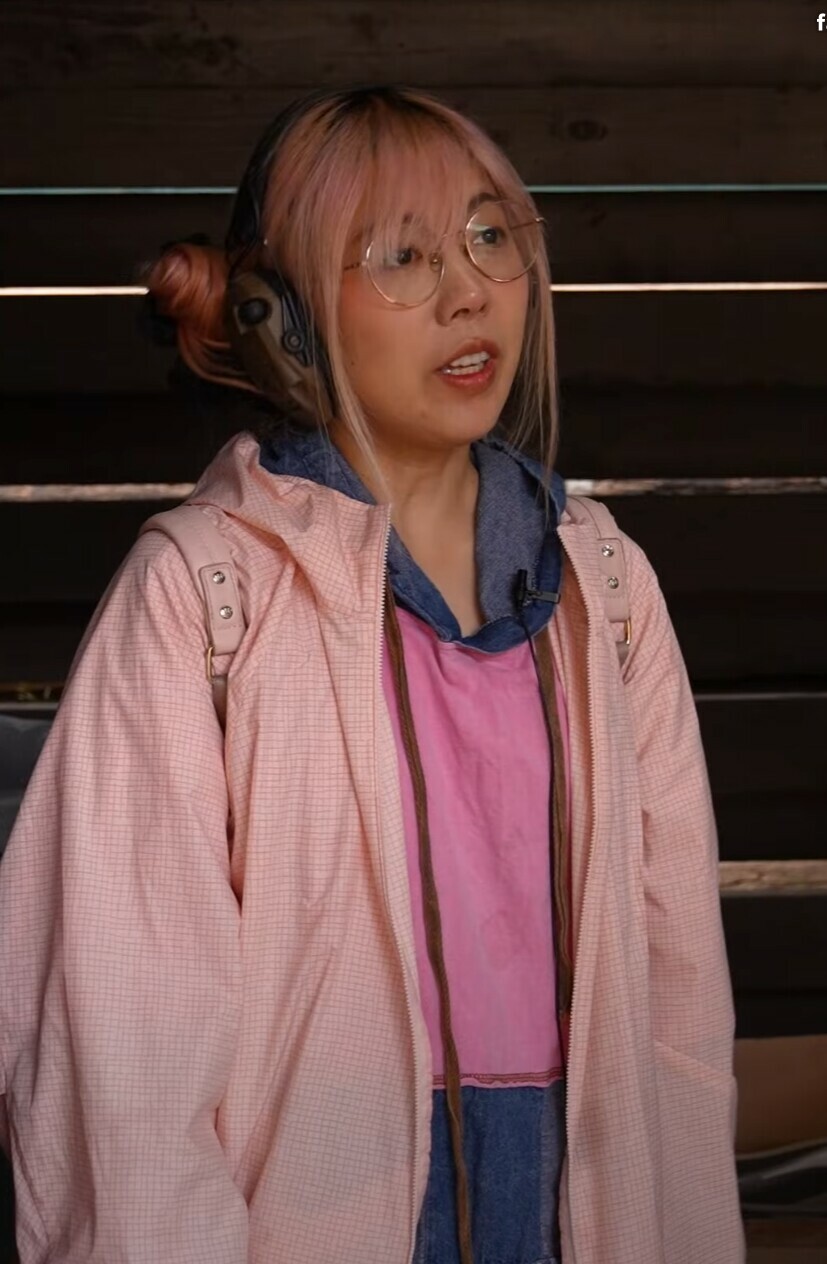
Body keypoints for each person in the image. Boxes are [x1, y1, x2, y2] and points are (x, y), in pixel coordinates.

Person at [0, 86, 744, 1263]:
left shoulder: (602, 589)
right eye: (401, 256)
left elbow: (679, 995)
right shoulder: (201, 598)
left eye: (489, 236)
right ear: (281, 320)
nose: (469, 292)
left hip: (581, 1203)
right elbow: (127, 1044)